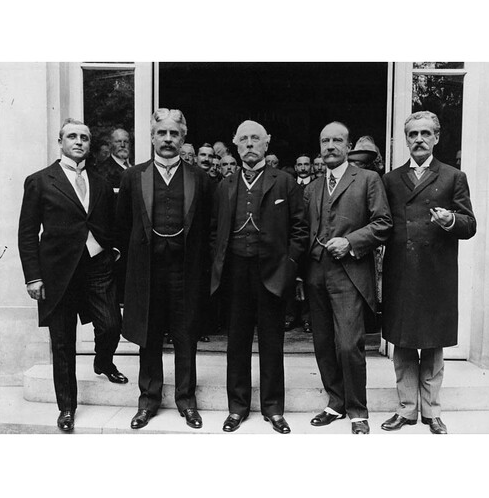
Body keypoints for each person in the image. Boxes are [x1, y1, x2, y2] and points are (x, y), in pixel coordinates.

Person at [18, 118, 128, 432]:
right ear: (61, 142)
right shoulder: (40, 181)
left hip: (97, 267)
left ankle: (103, 361)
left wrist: (112, 249)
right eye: (72, 137)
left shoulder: (101, 182)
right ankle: (67, 407)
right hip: (57, 273)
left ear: (90, 145)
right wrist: (33, 277)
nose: (78, 142)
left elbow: (112, 222)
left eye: (84, 138)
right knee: (63, 343)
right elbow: (27, 232)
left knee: (111, 325)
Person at [116, 108, 212, 430]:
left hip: (186, 273)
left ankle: (187, 401)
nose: (168, 139)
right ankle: (148, 401)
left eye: (174, 134)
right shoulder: (133, 177)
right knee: (149, 337)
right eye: (162, 133)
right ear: (152, 137)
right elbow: (122, 227)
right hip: (148, 272)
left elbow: (208, 228)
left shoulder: (200, 178)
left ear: (183, 139)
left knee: (186, 337)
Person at [381, 111, 476, 434]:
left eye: (425, 133)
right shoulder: (391, 180)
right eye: (413, 134)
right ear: (406, 139)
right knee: (403, 341)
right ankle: (406, 409)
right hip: (401, 271)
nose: (419, 139)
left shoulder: (452, 176)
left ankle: (432, 411)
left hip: (437, 272)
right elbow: (382, 223)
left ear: (436, 137)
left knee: (433, 344)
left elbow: (469, 224)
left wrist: (451, 220)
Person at [211, 120, 308, 434]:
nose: (250, 144)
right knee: (237, 342)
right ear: (236, 144)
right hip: (236, 272)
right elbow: (214, 232)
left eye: (256, 138)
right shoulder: (225, 185)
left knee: (271, 342)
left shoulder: (285, 182)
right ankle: (237, 408)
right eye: (244, 139)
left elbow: (300, 230)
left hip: (272, 272)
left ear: (267, 143)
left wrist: (288, 267)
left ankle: (273, 408)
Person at [303, 121, 392, 434]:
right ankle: (335, 403)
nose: (330, 146)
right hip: (316, 273)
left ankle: (357, 411)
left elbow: (383, 223)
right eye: (325, 141)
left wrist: (350, 242)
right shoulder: (312, 187)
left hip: (349, 273)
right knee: (323, 342)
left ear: (348, 146)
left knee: (348, 344)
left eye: (337, 140)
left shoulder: (367, 179)